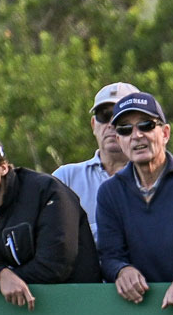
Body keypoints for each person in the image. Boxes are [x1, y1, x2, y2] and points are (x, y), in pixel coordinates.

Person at [92, 93, 173, 308]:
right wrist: (121, 270)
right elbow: (109, 255)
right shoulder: (109, 192)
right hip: (138, 308)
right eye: (125, 130)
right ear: (119, 140)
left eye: (146, 125)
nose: (136, 136)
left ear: (165, 133)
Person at [0, 131, 101, 308]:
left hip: (78, 306)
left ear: (3, 167)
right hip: (14, 314)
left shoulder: (47, 191)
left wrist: (10, 278)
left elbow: (55, 265)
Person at [54, 82, 144, 240]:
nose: (111, 124)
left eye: (120, 117)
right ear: (93, 124)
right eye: (104, 116)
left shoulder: (154, 179)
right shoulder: (65, 178)